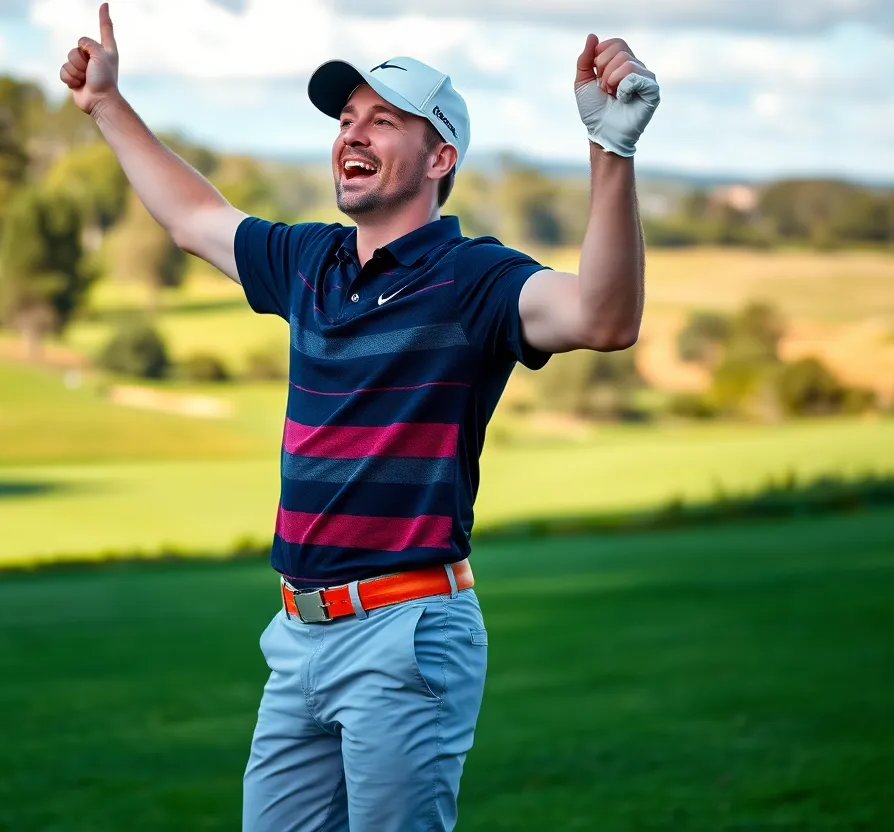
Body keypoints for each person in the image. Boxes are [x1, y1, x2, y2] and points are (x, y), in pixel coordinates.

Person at [60, 4, 660, 830]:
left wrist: (612, 151)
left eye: (383, 120)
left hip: (405, 634)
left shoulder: (476, 278)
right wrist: (107, 105)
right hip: (296, 632)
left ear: (440, 156)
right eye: (346, 119)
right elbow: (195, 218)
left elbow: (603, 317)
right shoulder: (311, 262)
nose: (353, 134)